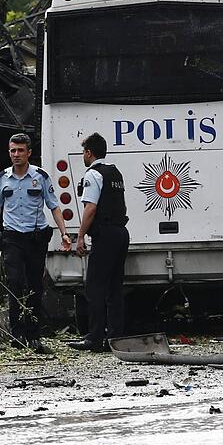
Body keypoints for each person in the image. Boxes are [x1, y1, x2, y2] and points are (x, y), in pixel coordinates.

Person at [0, 133, 72, 354]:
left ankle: (34, 335)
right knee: (15, 282)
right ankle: (17, 333)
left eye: (20, 150)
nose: (16, 155)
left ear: (29, 153)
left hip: (35, 237)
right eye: (12, 150)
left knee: (35, 284)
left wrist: (63, 233)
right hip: (12, 236)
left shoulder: (40, 177)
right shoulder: (3, 179)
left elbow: (54, 206)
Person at [69, 132, 130, 352]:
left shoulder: (93, 175)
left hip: (104, 234)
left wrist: (81, 236)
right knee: (114, 288)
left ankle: (94, 338)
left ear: (89, 152)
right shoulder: (115, 172)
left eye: (83, 152)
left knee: (94, 287)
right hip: (121, 232)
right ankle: (115, 338)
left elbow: (91, 208)